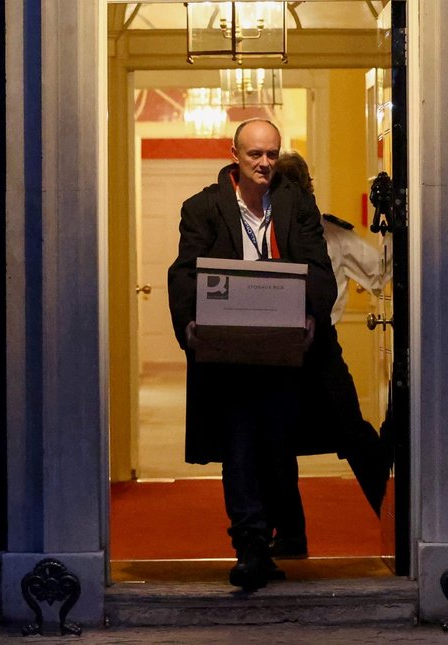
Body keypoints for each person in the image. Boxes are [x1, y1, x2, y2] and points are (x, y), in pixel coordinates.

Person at [167, 119, 337, 591]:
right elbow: (184, 272)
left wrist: (310, 317)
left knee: (278, 450)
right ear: (235, 155)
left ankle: (267, 542)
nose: (264, 163)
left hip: (283, 355)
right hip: (228, 358)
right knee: (239, 448)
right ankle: (249, 549)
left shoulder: (296, 204)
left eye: (271, 154)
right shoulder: (201, 208)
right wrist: (189, 325)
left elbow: (318, 270)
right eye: (255, 155)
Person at [266, 150, 393, 560]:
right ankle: (291, 537)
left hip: (317, 349)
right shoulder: (259, 236)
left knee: (347, 435)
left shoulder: (331, 234)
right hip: (282, 351)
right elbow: (379, 273)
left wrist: (390, 221)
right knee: (281, 442)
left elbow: (379, 274)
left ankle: (392, 515)